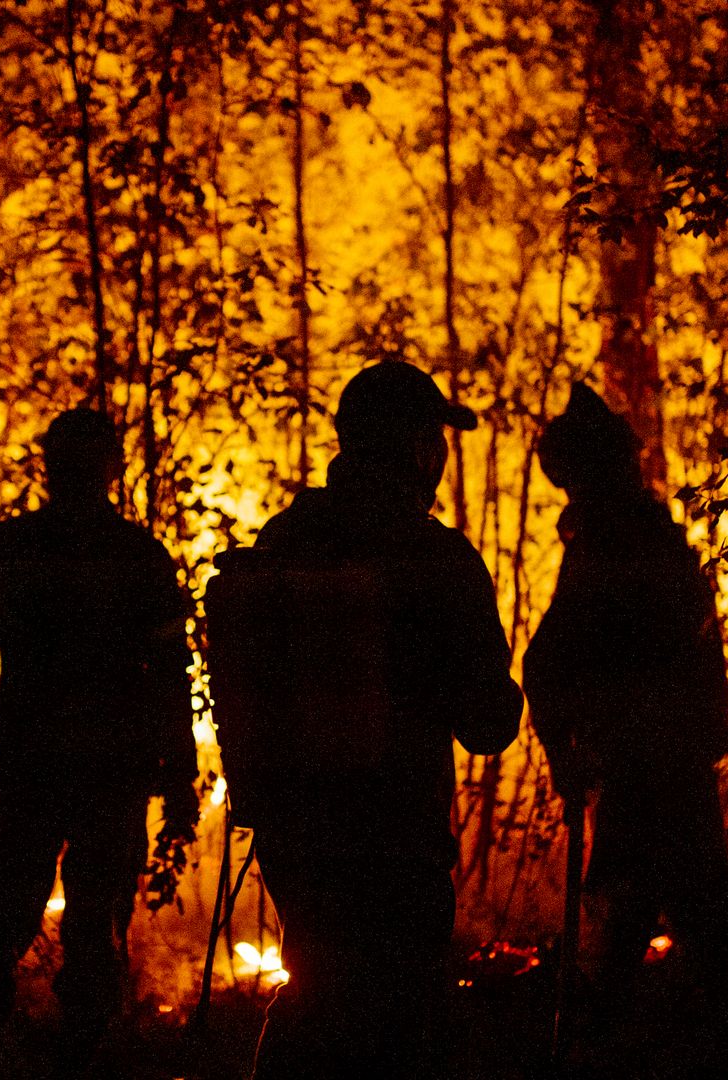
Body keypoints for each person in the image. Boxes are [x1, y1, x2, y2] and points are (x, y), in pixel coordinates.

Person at [209, 361, 523, 1079]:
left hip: (296, 832)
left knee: (318, 986)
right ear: (417, 447)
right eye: (436, 438)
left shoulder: (284, 539)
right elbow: (487, 723)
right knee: (393, 1014)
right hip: (397, 835)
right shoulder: (435, 554)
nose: (441, 454)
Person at [0, 407, 198, 1061]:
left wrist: (178, 776)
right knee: (29, 918)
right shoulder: (108, 554)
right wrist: (177, 778)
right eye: (72, 462)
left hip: (77, 768)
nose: (80, 475)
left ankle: (34, 1047)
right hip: (66, 767)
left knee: (80, 923)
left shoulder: (51, 550)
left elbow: (171, 673)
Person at [521, 385, 728, 1015]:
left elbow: (550, 660)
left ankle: (613, 1034)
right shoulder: (643, 537)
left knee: (644, 903)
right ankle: (723, 1030)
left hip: (642, 763)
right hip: (664, 757)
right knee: (686, 899)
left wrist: (562, 750)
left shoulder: (613, 544)